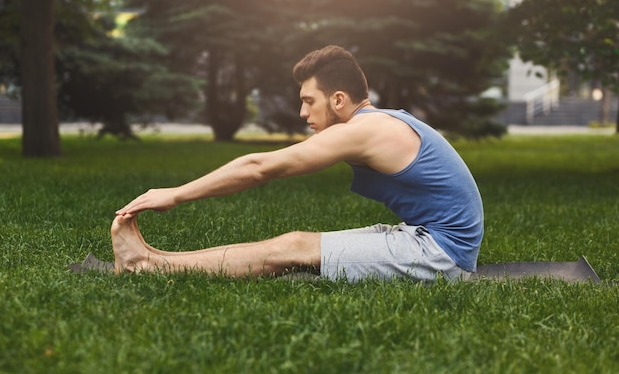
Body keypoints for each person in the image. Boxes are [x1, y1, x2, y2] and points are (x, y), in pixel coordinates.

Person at [113, 45, 483, 282]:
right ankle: (152, 259)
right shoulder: (377, 121)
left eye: (309, 100)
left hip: (441, 255)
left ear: (338, 99)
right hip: (423, 237)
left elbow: (261, 166)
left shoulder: (363, 131)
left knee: (293, 248)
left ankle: (144, 264)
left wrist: (175, 195)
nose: (302, 111)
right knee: (297, 246)